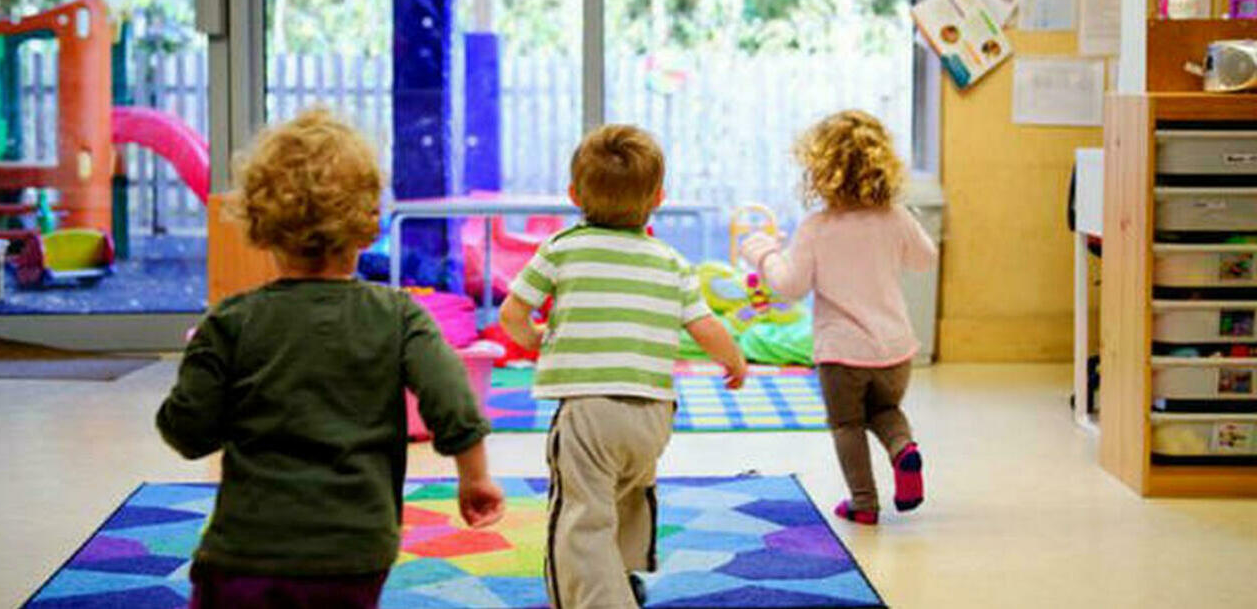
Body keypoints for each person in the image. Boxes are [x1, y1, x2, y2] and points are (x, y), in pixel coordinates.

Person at [156, 108, 505, 608]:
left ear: (259, 224)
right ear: (369, 223)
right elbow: (453, 397)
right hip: (354, 551)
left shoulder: (230, 322)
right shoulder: (399, 317)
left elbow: (188, 431)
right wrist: (475, 477)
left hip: (246, 551)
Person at [499, 124, 745, 608]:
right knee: (630, 491)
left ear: (574, 195)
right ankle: (624, 572)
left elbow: (512, 314)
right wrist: (733, 359)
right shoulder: (670, 261)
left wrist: (536, 340)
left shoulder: (562, 248)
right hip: (654, 414)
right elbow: (705, 326)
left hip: (589, 412)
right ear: (658, 198)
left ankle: (603, 599)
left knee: (581, 515)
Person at [741, 110, 936, 526]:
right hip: (895, 350)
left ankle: (863, 503)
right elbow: (925, 259)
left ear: (820, 172)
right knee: (885, 411)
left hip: (842, 354)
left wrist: (765, 255)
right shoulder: (896, 218)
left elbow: (790, 286)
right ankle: (904, 450)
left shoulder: (818, 227)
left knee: (847, 424)